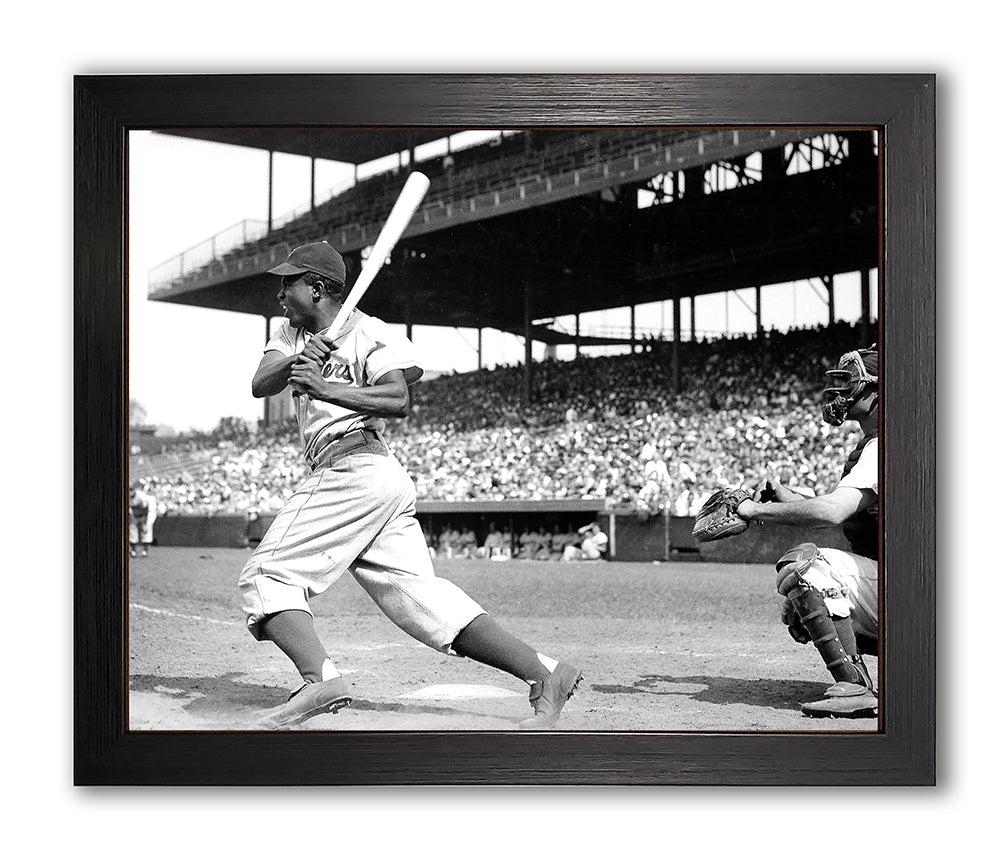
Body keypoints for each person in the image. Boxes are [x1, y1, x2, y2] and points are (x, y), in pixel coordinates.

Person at [238, 241, 582, 729]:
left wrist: (326, 387)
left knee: (266, 576)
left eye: (288, 282)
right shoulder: (291, 333)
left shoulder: (369, 331)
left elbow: (398, 399)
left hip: (354, 465)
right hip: (368, 482)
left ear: (316, 288)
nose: (279, 292)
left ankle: (321, 680)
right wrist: (300, 360)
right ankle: (546, 673)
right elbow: (260, 382)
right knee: (422, 603)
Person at [736, 344, 879, 719]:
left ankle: (854, 687)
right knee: (805, 606)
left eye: (850, 383)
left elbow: (831, 512)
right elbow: (842, 513)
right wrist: (787, 498)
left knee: (806, 568)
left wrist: (755, 509)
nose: (840, 393)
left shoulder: (884, 445)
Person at [128, 482, 157, 557]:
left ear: (135, 490)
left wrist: (146, 523)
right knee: (132, 531)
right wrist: (133, 518)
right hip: (134, 515)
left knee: (146, 531)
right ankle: (133, 550)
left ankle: (145, 551)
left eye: (131, 490)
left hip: (145, 515)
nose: (130, 492)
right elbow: (130, 511)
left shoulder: (143, 497)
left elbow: (149, 510)